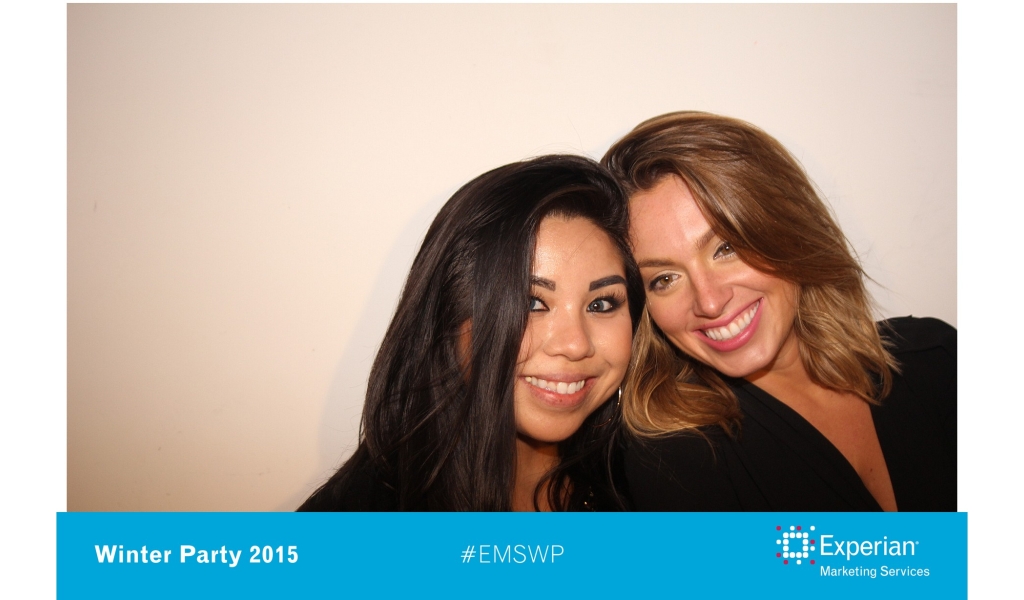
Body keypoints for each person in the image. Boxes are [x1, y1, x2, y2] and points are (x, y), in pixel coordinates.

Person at [601, 111, 955, 511]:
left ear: (786, 229)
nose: (710, 302)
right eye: (664, 279)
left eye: (726, 248)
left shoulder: (939, 360)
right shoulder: (675, 462)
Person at [299, 155, 644, 511]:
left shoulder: (653, 481)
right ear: (448, 315)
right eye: (530, 303)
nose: (575, 344)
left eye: (601, 304)